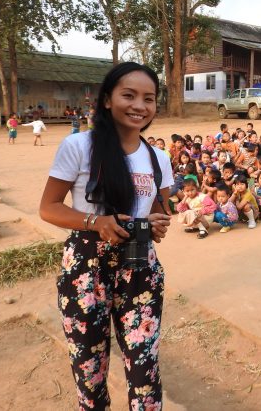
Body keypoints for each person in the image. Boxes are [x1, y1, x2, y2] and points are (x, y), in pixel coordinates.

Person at [39, 62, 173, 410]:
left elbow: (160, 210)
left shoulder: (159, 159)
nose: (139, 106)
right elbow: (48, 208)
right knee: (89, 369)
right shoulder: (78, 146)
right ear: (108, 99)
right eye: (129, 95)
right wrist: (96, 222)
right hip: (86, 267)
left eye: (148, 98)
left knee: (144, 371)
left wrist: (157, 224)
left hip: (140, 266)